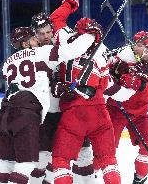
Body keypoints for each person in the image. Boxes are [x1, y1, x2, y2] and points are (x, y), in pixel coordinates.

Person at [0, 26, 99, 184]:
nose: (36, 39)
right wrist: (91, 35)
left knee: (6, 162)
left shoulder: (7, 62)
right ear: (25, 44)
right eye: (32, 38)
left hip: (5, 111)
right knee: (27, 163)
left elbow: (15, 76)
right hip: (27, 111)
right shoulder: (42, 52)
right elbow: (74, 50)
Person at [51, 17, 122, 184]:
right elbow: (105, 84)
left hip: (73, 113)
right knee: (108, 160)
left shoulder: (65, 44)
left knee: (61, 162)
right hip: (98, 112)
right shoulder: (102, 52)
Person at [106, 31, 148, 184]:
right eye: (137, 44)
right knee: (107, 150)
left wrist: (140, 84)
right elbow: (104, 76)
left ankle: (139, 179)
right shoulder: (121, 56)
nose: (138, 48)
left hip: (140, 114)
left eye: (143, 46)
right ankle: (89, 178)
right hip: (116, 110)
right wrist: (117, 76)